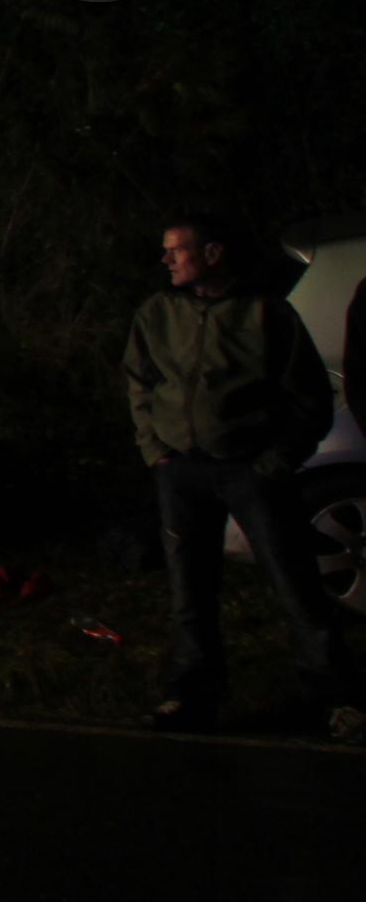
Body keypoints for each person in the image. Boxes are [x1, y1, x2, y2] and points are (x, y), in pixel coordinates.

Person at [123, 216, 360, 740]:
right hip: (181, 472)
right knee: (190, 592)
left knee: (295, 586)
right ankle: (192, 696)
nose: (166, 260)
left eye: (177, 250)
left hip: (249, 470)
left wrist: (275, 461)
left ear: (212, 253)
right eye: (165, 250)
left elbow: (309, 397)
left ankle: (336, 699)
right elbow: (139, 381)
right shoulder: (158, 313)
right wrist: (154, 448)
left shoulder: (265, 314)